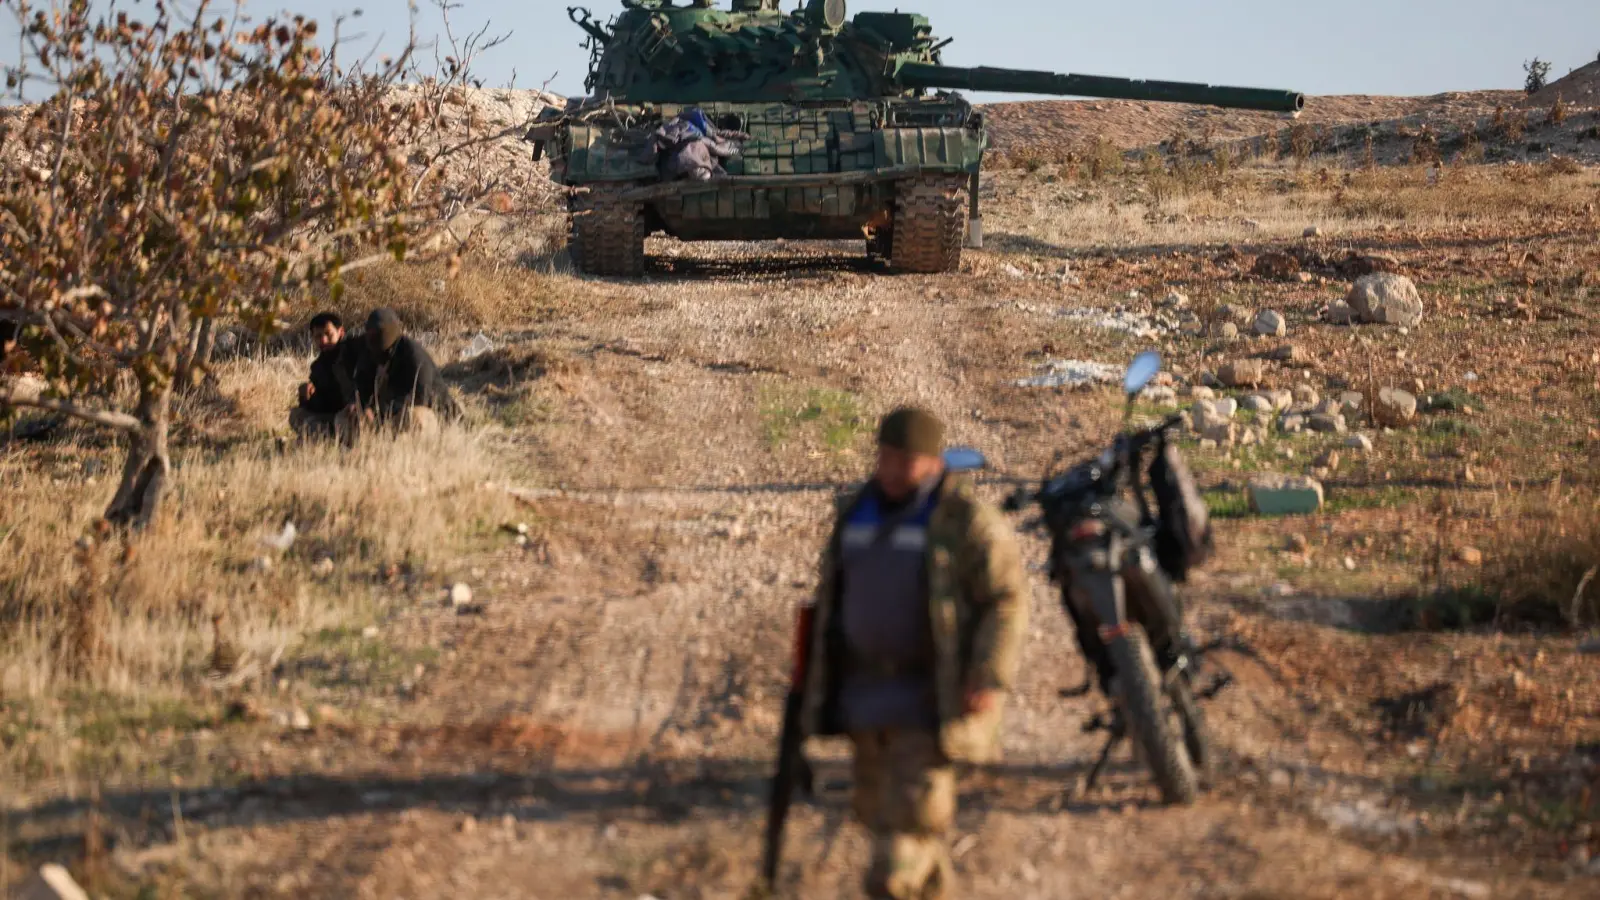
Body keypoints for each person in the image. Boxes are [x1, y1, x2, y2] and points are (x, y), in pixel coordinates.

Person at [798, 408, 1029, 900]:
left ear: (933, 463)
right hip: (864, 700)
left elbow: (1006, 598)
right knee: (882, 820)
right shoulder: (856, 511)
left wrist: (988, 674)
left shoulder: (964, 522)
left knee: (894, 862)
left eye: (906, 461)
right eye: (886, 457)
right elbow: (832, 599)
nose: (893, 469)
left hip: (929, 703)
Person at [343, 307, 456, 440]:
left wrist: (379, 411)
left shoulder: (413, 355)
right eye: (370, 332)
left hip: (434, 414)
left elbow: (420, 397)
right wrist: (357, 404)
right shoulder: (370, 352)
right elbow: (361, 384)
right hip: (387, 414)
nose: (372, 337)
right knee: (344, 417)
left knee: (415, 417)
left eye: (378, 332)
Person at [288, 312, 361, 439]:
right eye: (318, 336)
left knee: (344, 417)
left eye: (328, 334)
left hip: (357, 413)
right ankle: (328, 437)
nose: (323, 340)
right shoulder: (318, 367)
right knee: (296, 415)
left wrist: (357, 403)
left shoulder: (354, 351)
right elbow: (321, 405)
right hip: (334, 416)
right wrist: (307, 397)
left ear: (341, 332)